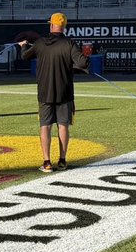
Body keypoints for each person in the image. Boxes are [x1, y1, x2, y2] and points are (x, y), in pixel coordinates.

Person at [19, 12, 89, 173]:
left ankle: (47, 162)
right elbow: (83, 63)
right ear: (64, 26)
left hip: (45, 92)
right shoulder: (69, 43)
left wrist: (23, 45)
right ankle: (62, 161)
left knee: (45, 126)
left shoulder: (40, 43)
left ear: (51, 25)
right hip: (65, 92)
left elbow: (25, 56)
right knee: (63, 126)